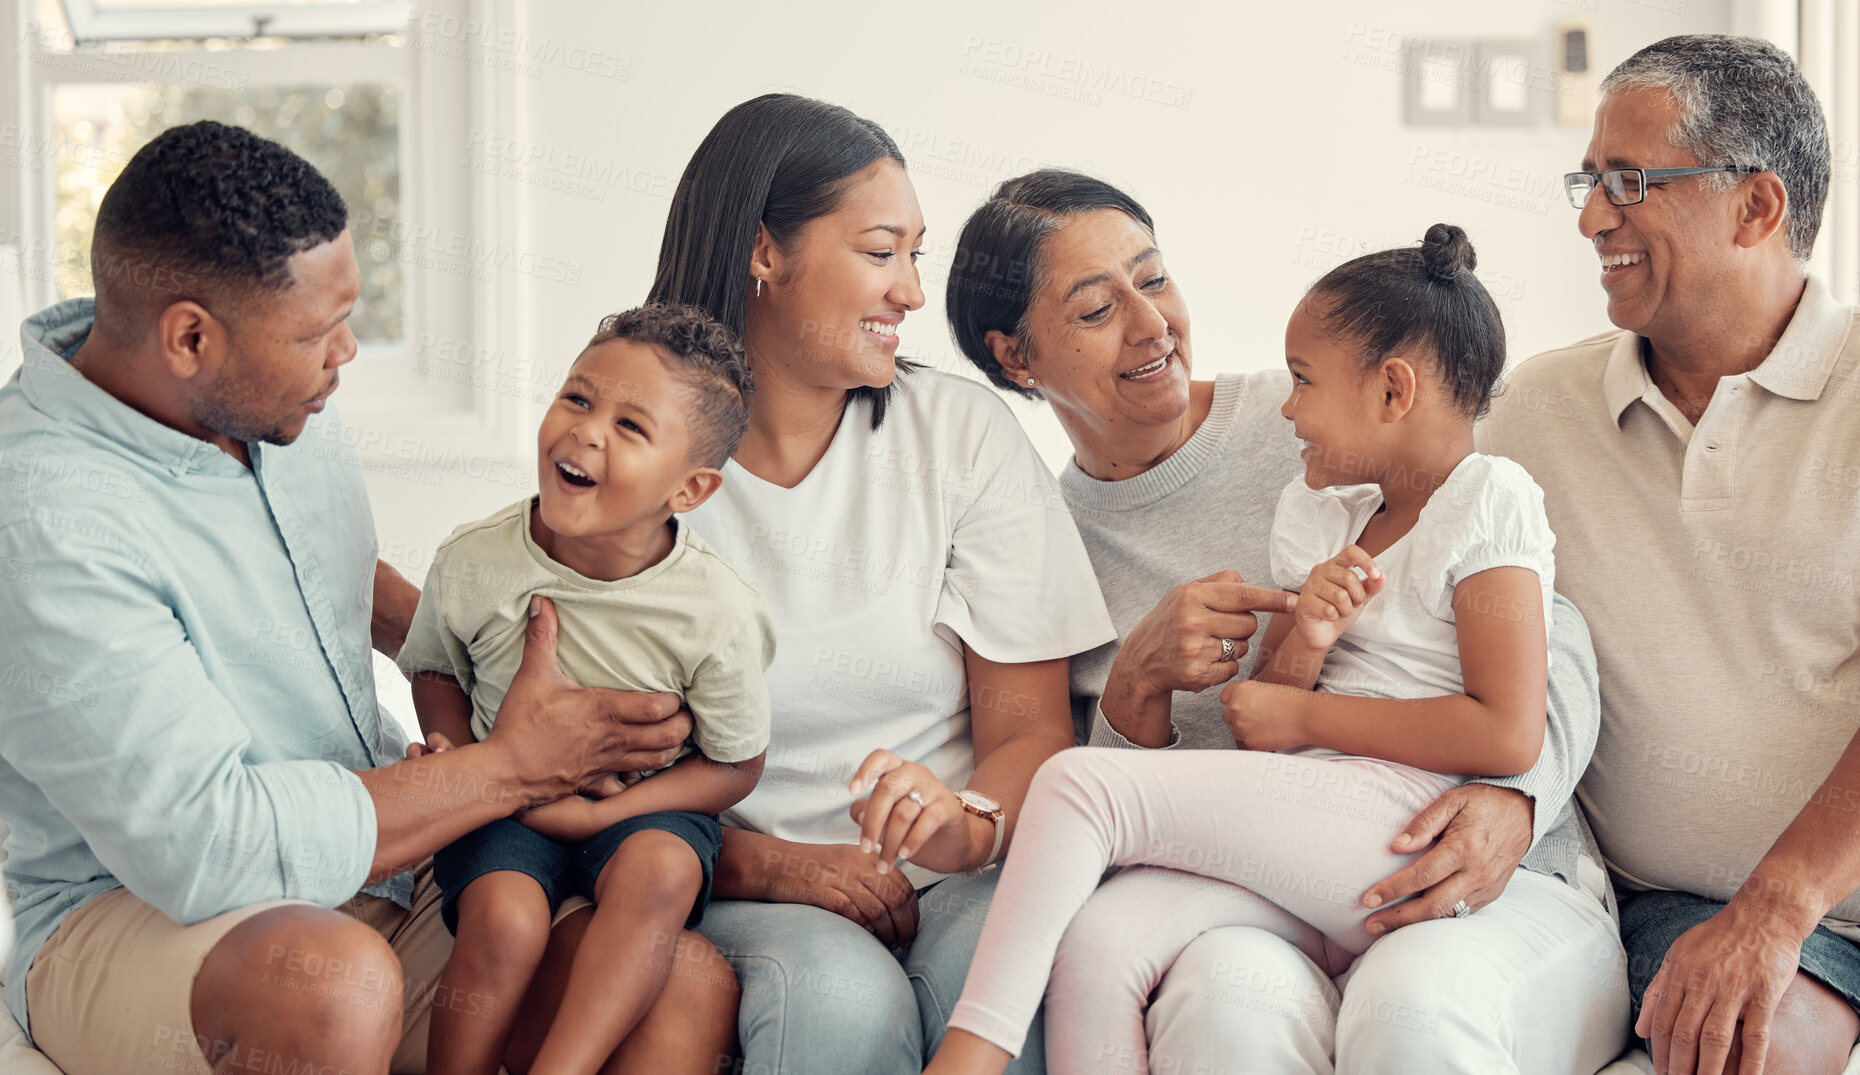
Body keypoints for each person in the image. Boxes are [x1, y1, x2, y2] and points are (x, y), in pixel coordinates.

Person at [0, 120, 734, 1075]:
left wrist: (497, 653)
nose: (344, 353)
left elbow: (335, 576)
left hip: (371, 861)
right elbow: (210, 848)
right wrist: (511, 766)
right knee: (331, 984)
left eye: (347, 316)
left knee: (681, 980)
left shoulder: (266, 396)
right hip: (136, 911)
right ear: (189, 336)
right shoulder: (46, 522)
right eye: (315, 334)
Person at [942, 168, 1629, 1074]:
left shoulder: (1330, 420)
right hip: (1267, 870)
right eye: (1095, 310)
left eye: (1152, 279)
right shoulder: (1035, 538)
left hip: (1450, 841)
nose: (1152, 326)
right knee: (1144, 962)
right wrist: (1133, 689)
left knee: (1408, 1003)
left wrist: (1517, 793)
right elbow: (1138, 816)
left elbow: (1546, 630)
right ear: (1015, 358)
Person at [641, 93, 1119, 1075]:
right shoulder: (632, 460)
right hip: (744, 884)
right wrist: (779, 867)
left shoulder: (958, 437)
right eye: (879, 251)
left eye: (916, 255)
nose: (910, 293)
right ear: (764, 251)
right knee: (838, 1003)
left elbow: (1030, 732)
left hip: (957, 874)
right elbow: (609, 785)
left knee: (1007, 982)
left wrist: (963, 823)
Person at [1484, 34, 1860, 1075]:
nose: (1593, 216)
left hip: (1823, 909)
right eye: (1590, 180)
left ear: (1756, 208)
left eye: (1631, 181)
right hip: (1657, 902)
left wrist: (1781, 906)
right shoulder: (1529, 417)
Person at [397, 304, 773, 1075]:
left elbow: (737, 764)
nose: (587, 431)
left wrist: (602, 811)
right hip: (505, 802)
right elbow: (433, 666)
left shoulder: (717, 608)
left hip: (645, 809)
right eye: (577, 397)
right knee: (503, 917)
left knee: (662, 872)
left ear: (691, 488)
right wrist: (460, 757)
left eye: (631, 426)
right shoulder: (474, 560)